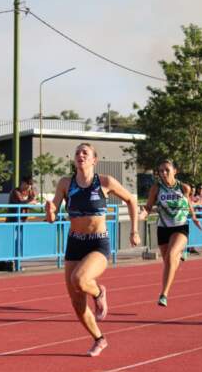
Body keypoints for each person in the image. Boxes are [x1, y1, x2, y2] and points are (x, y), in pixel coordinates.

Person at [45, 143, 139, 357]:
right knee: (77, 302)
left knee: (79, 280)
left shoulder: (105, 182)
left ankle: (99, 292)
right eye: (77, 152)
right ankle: (99, 339)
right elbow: (52, 218)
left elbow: (131, 200)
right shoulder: (66, 183)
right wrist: (50, 211)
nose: (80, 155)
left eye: (85, 153)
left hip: (98, 243)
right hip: (75, 242)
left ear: (94, 160)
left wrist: (134, 230)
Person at [139, 159, 202, 307]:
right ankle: (181, 253)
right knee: (168, 262)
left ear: (175, 171)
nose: (164, 173)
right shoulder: (156, 188)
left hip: (180, 226)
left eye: (167, 170)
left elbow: (188, 203)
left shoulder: (184, 187)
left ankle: (164, 294)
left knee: (171, 254)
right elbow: (148, 207)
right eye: (161, 171)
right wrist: (143, 214)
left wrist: (193, 216)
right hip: (163, 228)